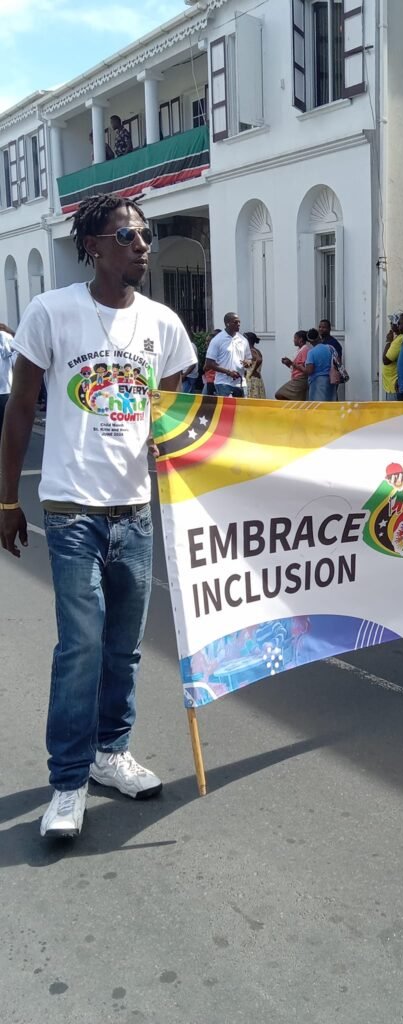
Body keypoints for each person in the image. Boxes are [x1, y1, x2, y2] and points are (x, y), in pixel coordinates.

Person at [0, 192, 196, 838]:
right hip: (72, 511)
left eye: (145, 234)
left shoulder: (164, 326)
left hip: (135, 511)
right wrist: (6, 499)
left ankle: (111, 754)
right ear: (92, 247)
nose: (141, 244)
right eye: (127, 235)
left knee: (124, 649)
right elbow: (21, 409)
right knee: (81, 645)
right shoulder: (51, 313)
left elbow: (179, 415)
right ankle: (67, 781)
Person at [204, 312, 251, 397]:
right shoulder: (217, 340)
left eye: (239, 322)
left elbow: (249, 359)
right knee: (227, 409)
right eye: (235, 322)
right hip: (223, 383)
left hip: (241, 383)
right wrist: (228, 372)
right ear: (227, 323)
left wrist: (247, 362)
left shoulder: (243, 340)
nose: (238, 324)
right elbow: (209, 363)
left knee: (241, 409)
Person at [299, 328, 334, 401]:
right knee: (330, 405)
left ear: (310, 341)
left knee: (318, 407)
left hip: (317, 382)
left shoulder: (311, 352)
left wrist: (300, 367)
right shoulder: (330, 348)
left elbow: (309, 370)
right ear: (319, 336)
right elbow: (337, 361)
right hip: (331, 380)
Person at [276, 331, 311, 401]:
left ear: (300, 339)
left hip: (300, 378)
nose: (293, 340)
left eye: (295, 338)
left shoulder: (305, 350)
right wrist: (288, 363)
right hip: (296, 377)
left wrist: (291, 363)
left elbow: (304, 368)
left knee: (279, 394)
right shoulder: (300, 350)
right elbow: (296, 367)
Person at [382, 314, 403, 400]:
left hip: (394, 384)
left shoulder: (400, 339)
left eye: (392, 323)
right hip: (390, 384)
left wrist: (388, 341)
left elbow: (386, 360)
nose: (390, 325)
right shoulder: (398, 338)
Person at [0, 322, 15, 438]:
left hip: (4, 390)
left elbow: (20, 346)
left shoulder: (4, 336)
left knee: (4, 428)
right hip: (4, 390)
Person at [243, 331, 266, 400]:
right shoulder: (256, 350)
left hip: (252, 379)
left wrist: (253, 371)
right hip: (256, 379)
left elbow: (259, 360)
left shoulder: (251, 351)